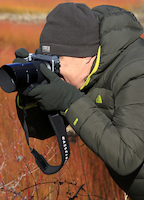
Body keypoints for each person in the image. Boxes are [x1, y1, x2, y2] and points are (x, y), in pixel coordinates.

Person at [14, 2, 144, 200]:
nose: (55, 72)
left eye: (58, 62)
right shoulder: (85, 69)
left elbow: (127, 157)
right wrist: (29, 94)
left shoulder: (137, 70)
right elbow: (39, 131)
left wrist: (69, 100)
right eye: (48, 61)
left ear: (85, 56)